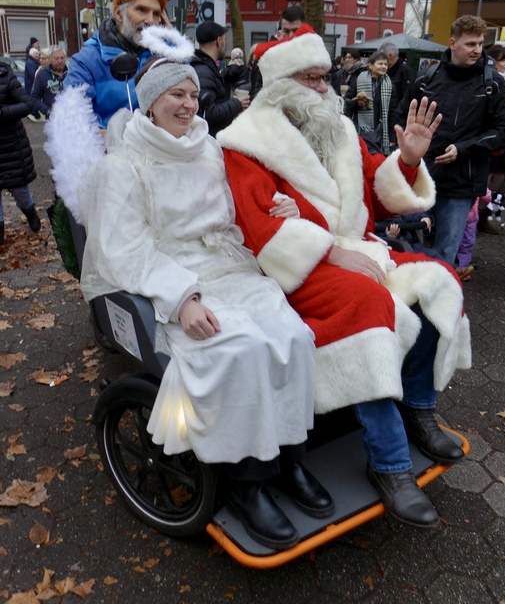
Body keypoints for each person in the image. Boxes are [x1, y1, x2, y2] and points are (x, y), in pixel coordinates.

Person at [65, 56, 333, 551]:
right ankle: (249, 484)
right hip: (172, 281)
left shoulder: (208, 148)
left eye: (193, 95)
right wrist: (181, 297)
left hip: (230, 267)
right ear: (151, 102)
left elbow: (239, 207)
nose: (188, 105)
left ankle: (289, 460)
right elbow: (126, 248)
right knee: (241, 349)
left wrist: (279, 206)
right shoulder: (123, 165)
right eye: (176, 95)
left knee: (294, 336)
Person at [218, 25, 471, 529]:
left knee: (442, 278)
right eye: (310, 79)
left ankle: (417, 408)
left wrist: (411, 159)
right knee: (366, 304)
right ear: (279, 84)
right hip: (296, 269)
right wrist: (331, 254)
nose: (322, 88)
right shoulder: (246, 142)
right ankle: (391, 465)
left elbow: (379, 188)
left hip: (356, 249)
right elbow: (260, 227)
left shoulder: (339, 129)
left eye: (322, 77)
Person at [397, 15, 505, 265]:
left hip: (463, 181)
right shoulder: (427, 78)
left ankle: (439, 300)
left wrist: (463, 149)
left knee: (445, 255)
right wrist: (406, 153)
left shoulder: (492, 82)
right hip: (422, 177)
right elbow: (401, 117)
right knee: (410, 247)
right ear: (452, 43)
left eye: (480, 44)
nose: (477, 50)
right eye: (470, 44)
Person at [64, 0, 175, 128]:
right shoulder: (87, 62)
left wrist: (173, 44)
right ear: (118, 12)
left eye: (156, 13)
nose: (150, 20)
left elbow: (188, 99)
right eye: (141, 10)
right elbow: (73, 121)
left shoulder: (163, 55)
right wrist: (112, 139)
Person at [0, 61, 41, 245]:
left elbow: (26, 105)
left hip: (10, 146)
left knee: (19, 190)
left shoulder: (5, 76)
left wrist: (2, 113)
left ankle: (30, 210)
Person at [193, 21, 248, 137]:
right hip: (210, 141)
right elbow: (210, 113)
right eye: (224, 40)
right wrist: (237, 103)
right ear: (218, 41)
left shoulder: (204, 67)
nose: (225, 45)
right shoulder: (204, 71)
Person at [344, 50, 399, 155]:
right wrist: (357, 103)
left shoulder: (390, 85)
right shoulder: (359, 80)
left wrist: (392, 136)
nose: (383, 66)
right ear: (370, 65)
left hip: (381, 132)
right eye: (380, 63)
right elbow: (346, 101)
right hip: (361, 130)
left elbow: (392, 112)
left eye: (385, 64)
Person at [30, 46, 67, 118]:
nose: (59, 61)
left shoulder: (71, 73)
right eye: (56, 58)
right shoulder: (42, 75)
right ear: (50, 59)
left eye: (62, 58)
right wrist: (47, 111)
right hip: (53, 120)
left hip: (72, 118)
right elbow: (34, 97)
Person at [25, 47, 42, 122]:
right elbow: (33, 74)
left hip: (32, 85)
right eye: (36, 54)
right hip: (31, 85)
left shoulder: (33, 61)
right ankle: (34, 114)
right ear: (32, 54)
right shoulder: (30, 62)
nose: (37, 55)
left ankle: (34, 113)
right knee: (33, 99)